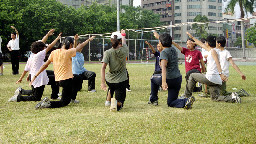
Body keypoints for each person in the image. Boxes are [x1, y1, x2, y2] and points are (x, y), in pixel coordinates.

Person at [30, 35, 95, 109]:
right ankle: (48, 104)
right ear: (70, 44)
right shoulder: (68, 52)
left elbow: (45, 65)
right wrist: (88, 40)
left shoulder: (54, 52)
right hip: (66, 80)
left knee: (78, 78)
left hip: (58, 80)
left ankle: (72, 98)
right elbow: (80, 47)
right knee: (64, 102)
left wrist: (35, 76)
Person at [185, 32, 241, 103]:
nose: (204, 43)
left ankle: (186, 96)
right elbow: (201, 44)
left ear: (208, 43)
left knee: (192, 75)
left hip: (211, 78)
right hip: (215, 80)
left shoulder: (213, 51)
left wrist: (221, 74)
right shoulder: (213, 50)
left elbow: (217, 62)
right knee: (215, 98)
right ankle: (233, 98)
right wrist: (192, 37)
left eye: (206, 42)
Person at [8, 30, 62, 102]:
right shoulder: (39, 55)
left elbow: (26, 69)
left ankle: (54, 95)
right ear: (40, 48)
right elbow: (49, 47)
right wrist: (57, 38)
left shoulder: (32, 55)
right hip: (38, 77)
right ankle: (18, 98)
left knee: (55, 77)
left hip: (33, 76)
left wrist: (21, 78)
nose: (45, 47)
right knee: (36, 97)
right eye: (43, 47)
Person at [150, 32, 195, 109]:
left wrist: (163, 82)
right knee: (171, 102)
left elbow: (163, 68)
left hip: (169, 79)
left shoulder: (164, 52)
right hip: (177, 79)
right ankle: (186, 101)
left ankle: (153, 99)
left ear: (161, 43)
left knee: (153, 79)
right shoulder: (173, 49)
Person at [101, 30, 128, 111]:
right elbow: (124, 42)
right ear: (120, 41)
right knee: (121, 103)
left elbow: (103, 67)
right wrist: (123, 34)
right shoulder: (124, 50)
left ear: (111, 40)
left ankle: (108, 100)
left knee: (111, 86)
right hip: (121, 80)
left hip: (109, 80)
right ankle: (115, 102)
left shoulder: (107, 52)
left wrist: (103, 83)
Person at [145, 40, 163, 105]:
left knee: (154, 80)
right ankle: (153, 98)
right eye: (157, 46)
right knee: (153, 80)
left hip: (162, 72)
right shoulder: (158, 54)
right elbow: (153, 50)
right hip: (157, 72)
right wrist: (149, 45)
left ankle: (153, 98)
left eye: (159, 46)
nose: (158, 47)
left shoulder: (164, 54)